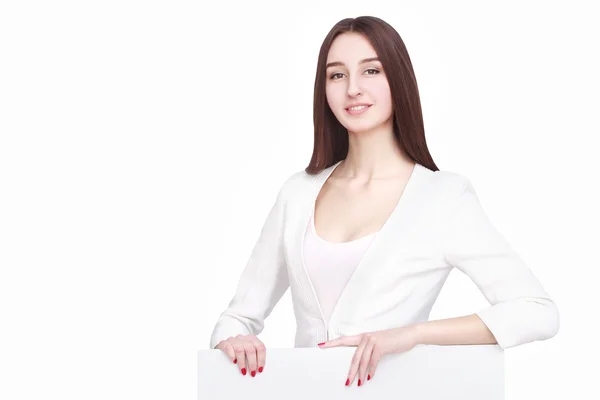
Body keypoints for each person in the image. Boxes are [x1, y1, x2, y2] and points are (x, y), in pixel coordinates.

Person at [209, 15, 559, 385]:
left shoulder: (442, 198)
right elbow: (236, 318)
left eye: (371, 71)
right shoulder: (297, 193)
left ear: (398, 79)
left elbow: (536, 311)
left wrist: (411, 336)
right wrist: (234, 342)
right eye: (337, 75)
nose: (353, 89)